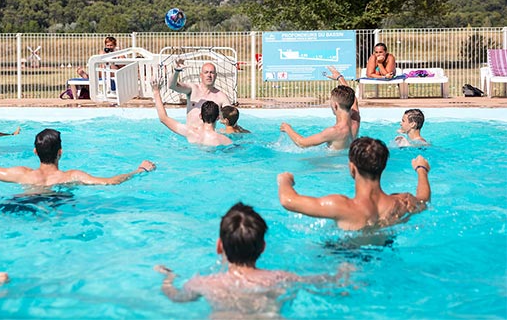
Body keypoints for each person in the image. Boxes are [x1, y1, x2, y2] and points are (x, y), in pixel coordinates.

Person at [154, 203, 352, 316]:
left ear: (219, 246)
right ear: (263, 248)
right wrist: (346, 268)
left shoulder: (204, 283)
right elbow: (332, 285)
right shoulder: (281, 278)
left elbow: (176, 296)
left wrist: (169, 277)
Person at [277, 137, 431, 231]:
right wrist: (421, 169)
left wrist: (285, 180)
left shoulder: (341, 206)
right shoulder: (402, 202)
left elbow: (288, 200)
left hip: (347, 256)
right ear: (383, 166)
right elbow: (424, 200)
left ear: (352, 168)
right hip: (384, 252)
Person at [0, 128, 155, 187]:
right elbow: (110, 182)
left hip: (25, 204)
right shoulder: (72, 176)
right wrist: (138, 170)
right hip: (58, 204)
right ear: (60, 152)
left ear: (35, 152)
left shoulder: (22, 174)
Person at [279, 66, 360, 150]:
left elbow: (302, 143)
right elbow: (353, 99)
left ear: (335, 105)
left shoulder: (334, 131)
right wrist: (340, 78)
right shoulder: (356, 120)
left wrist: (287, 128)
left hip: (333, 162)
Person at [152, 81, 232, 146]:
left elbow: (163, 118)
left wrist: (156, 92)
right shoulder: (223, 140)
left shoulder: (190, 132)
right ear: (218, 117)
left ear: (200, 116)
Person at [169, 59, 231, 128]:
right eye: (206, 72)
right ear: (201, 75)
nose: (209, 75)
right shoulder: (193, 89)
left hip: (208, 137)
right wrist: (177, 71)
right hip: (191, 136)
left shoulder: (222, 97)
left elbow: (231, 120)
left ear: (216, 75)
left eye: (212, 72)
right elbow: (172, 86)